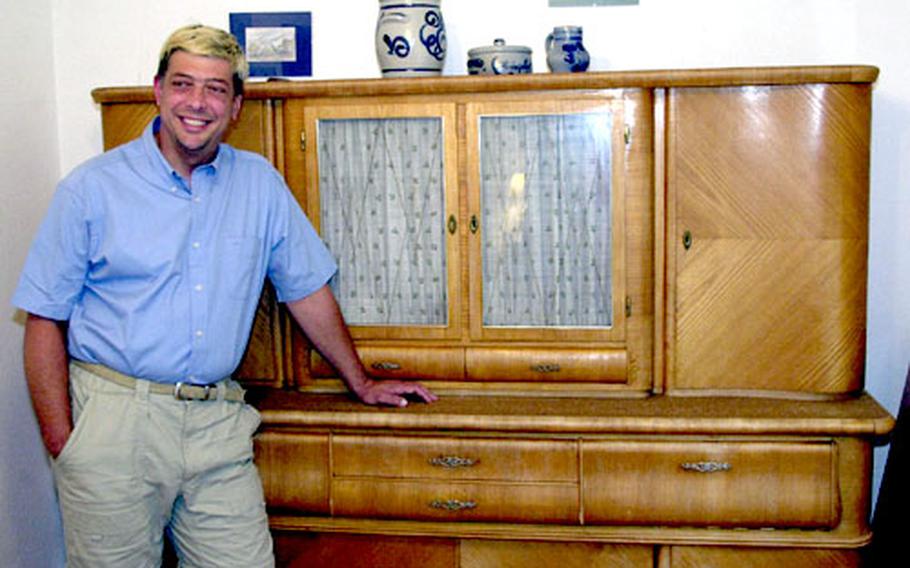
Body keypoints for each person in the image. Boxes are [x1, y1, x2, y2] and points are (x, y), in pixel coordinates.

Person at [12, 23, 436, 567]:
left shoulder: (259, 183)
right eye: (183, 84)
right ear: (157, 90)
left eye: (215, 89)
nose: (197, 102)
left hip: (216, 423)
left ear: (236, 105)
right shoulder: (90, 189)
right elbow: (45, 319)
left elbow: (306, 289)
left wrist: (361, 380)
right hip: (115, 426)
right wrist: (64, 445)